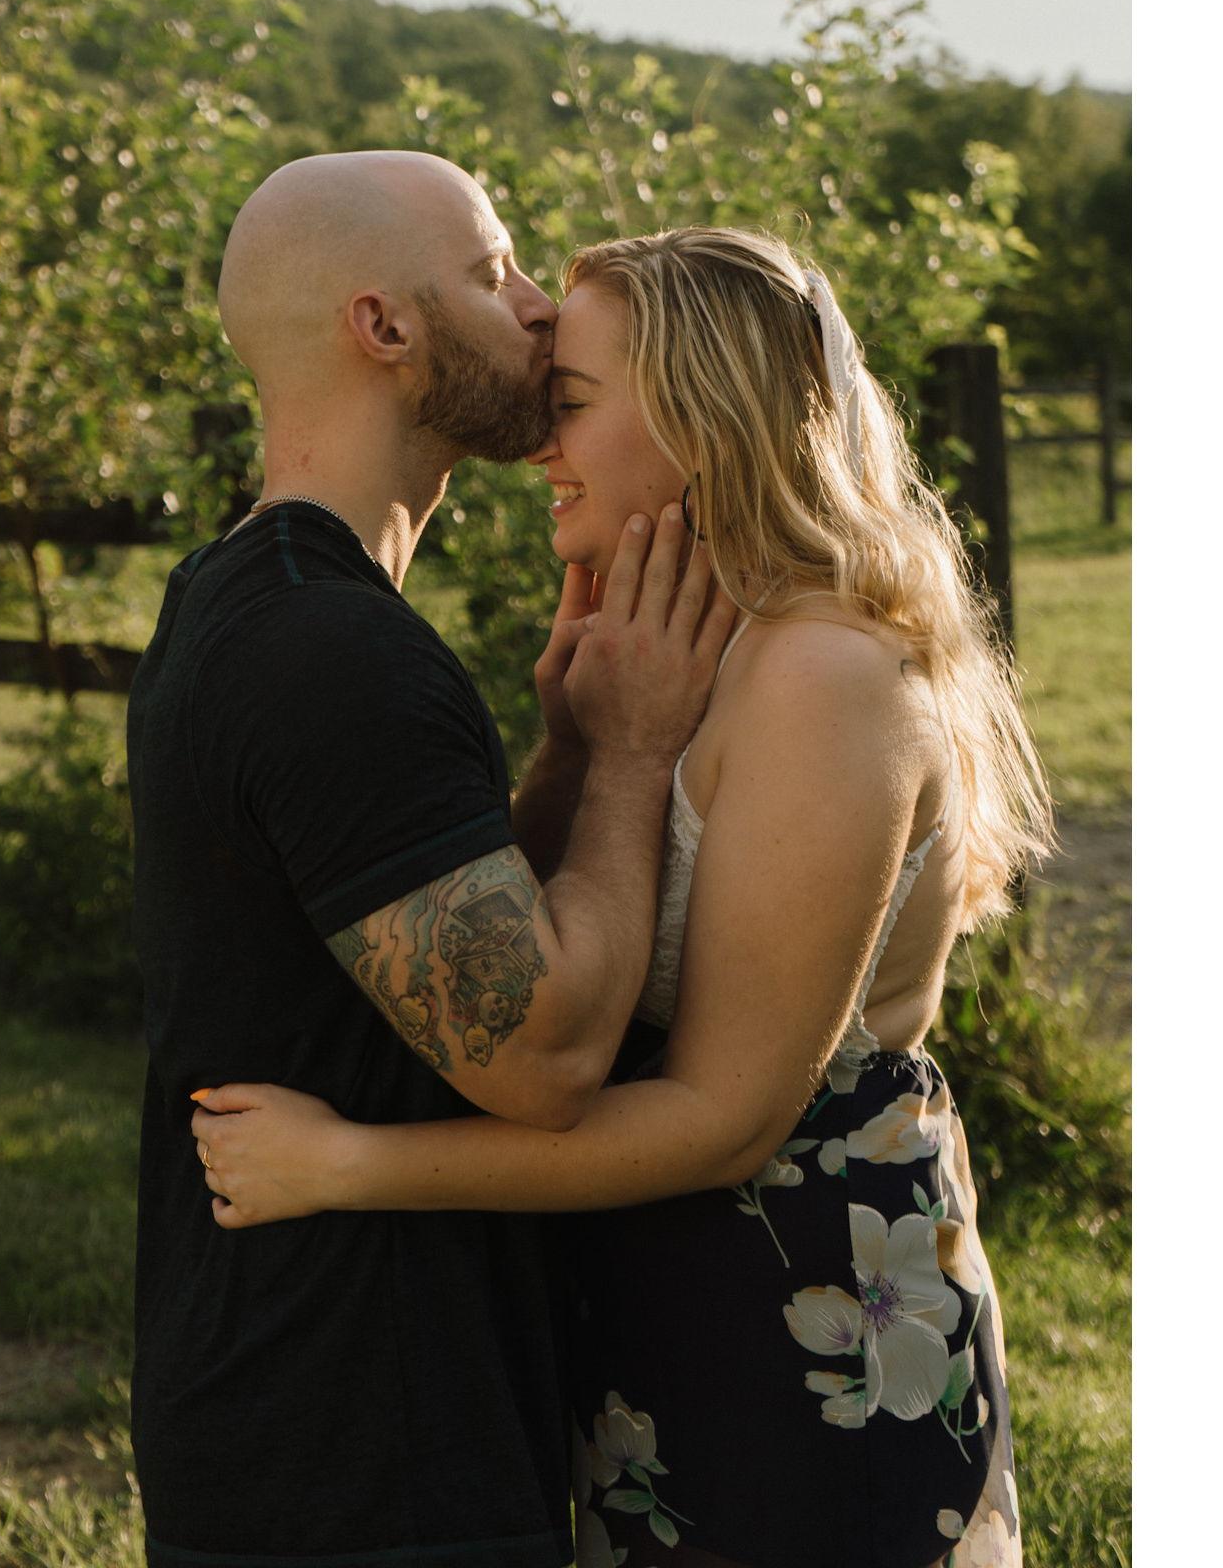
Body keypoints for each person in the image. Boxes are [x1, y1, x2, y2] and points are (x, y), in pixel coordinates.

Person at [189, 225, 1054, 1568]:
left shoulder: (822, 673)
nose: (542, 439)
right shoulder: (686, 650)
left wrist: (349, 1167)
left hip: (808, 1315)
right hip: (666, 1293)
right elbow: (552, 954)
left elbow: (722, 1118)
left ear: (705, 421)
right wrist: (578, 743)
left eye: (575, 401)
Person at [126, 153, 740, 1568]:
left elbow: (397, 948)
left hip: (299, 1413)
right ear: (384, 326)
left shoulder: (252, 597)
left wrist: (565, 752)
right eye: (491, 270)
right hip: (361, 1451)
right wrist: (633, 752)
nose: (538, 309)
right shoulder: (333, 653)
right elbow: (544, 1056)